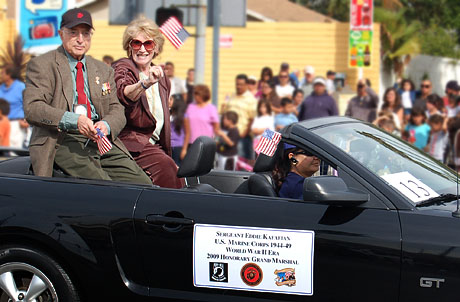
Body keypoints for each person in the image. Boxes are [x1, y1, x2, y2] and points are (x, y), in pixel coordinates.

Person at [23, 8, 151, 184]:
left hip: (99, 139)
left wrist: (106, 125)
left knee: (143, 185)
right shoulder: (42, 65)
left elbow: (117, 109)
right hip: (62, 139)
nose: (80, 39)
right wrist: (74, 120)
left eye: (86, 33)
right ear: (61, 34)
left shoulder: (103, 69)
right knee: (104, 186)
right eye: (73, 33)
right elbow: (33, 108)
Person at [112, 15, 183, 188]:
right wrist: (145, 83)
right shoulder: (124, 67)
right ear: (129, 47)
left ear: (156, 48)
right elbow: (124, 92)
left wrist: (168, 156)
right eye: (136, 43)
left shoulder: (162, 78)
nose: (142, 49)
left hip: (153, 146)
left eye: (148, 43)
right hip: (131, 143)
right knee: (166, 169)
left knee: (177, 172)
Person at [221, 74, 258, 160]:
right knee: (227, 162)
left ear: (246, 85)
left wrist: (245, 133)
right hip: (228, 135)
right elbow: (225, 112)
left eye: (241, 84)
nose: (238, 86)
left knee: (241, 164)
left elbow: (252, 119)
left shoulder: (251, 99)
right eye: (237, 84)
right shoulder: (232, 96)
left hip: (242, 137)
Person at [182, 84, 219, 159]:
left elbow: (216, 128)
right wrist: (184, 148)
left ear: (204, 95)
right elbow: (187, 130)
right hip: (192, 143)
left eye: (198, 94)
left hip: (206, 144)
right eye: (195, 94)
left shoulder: (211, 108)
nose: (195, 96)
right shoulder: (190, 107)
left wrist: (215, 141)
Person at [0, 65, 28, 148]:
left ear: (9, 75)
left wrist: (26, 120)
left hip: (16, 124)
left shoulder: (21, 87)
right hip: (2, 123)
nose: (1, 75)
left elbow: (27, 104)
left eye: (2, 73)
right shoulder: (1, 88)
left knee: (14, 152)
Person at [170, 97, 187, 166]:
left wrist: (184, 149)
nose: (168, 101)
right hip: (168, 146)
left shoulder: (183, 117)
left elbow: (188, 133)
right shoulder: (168, 114)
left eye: (171, 99)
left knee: (178, 167)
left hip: (178, 146)